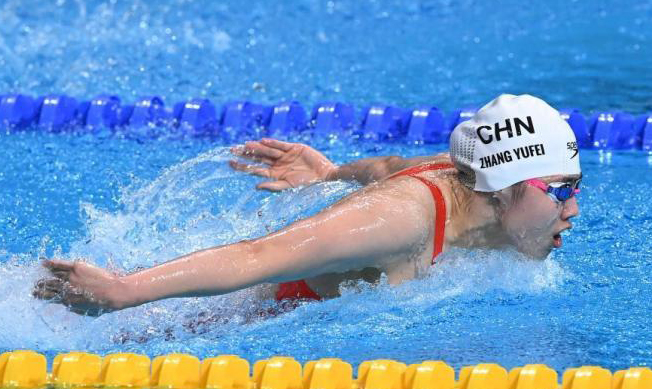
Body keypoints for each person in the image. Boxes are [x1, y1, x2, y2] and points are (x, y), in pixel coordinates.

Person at [33, 94, 582, 316]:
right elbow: (258, 255)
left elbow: (389, 166)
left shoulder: (464, 177)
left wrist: (329, 173)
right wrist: (125, 291)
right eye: (559, 190)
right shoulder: (398, 220)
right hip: (210, 320)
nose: (572, 208)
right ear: (506, 186)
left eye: (575, 187)